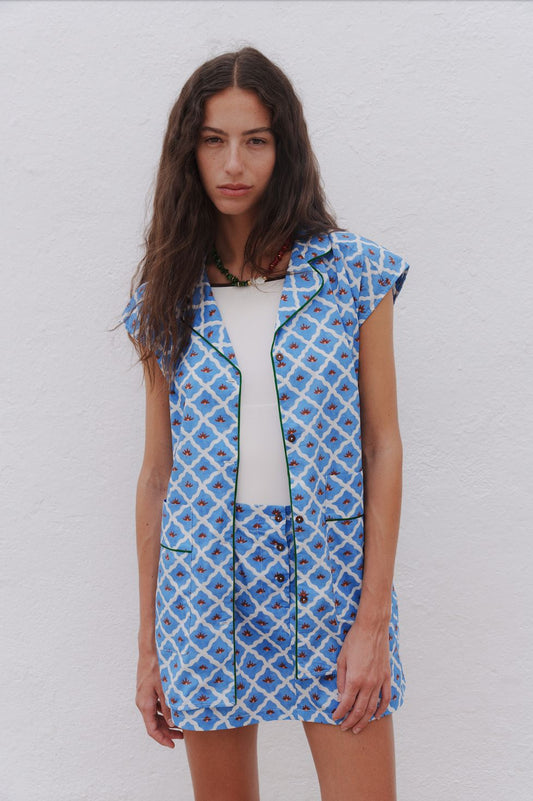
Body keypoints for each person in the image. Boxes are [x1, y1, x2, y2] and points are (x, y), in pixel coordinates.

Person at [120, 45, 410, 801]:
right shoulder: (165, 294)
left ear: (285, 148)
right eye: (213, 140)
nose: (233, 163)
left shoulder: (353, 273)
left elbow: (382, 445)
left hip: (332, 579)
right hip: (203, 587)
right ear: (188, 151)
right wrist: (150, 644)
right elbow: (158, 473)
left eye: (255, 140)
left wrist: (372, 620)